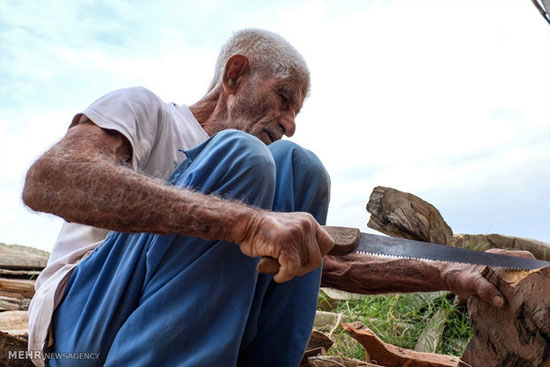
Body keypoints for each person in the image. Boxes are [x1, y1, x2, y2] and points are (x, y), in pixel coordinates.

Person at [22, 29, 529, 367]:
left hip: (177, 332)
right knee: (243, 157)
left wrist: (449, 272)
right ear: (235, 75)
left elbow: (331, 269)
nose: (288, 123)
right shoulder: (146, 111)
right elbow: (49, 180)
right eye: (284, 99)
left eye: (295, 111)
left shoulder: (268, 171)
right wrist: (242, 224)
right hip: (82, 335)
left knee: (301, 168)